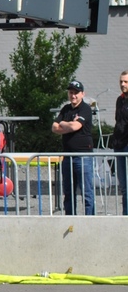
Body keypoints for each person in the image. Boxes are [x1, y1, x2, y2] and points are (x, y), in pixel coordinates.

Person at [52, 79, 94, 215]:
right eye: (71, 92)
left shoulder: (86, 109)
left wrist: (64, 124)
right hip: (68, 156)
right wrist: (69, 125)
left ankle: (90, 221)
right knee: (68, 192)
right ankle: (70, 219)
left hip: (83, 156)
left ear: (82, 94)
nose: (73, 95)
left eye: (76, 93)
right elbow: (54, 128)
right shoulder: (66, 109)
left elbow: (77, 126)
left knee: (87, 192)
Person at [111, 70, 128, 216]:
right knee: (123, 186)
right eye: (121, 81)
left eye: (126, 82)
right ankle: (125, 218)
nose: (123, 84)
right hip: (119, 145)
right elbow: (118, 122)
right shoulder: (120, 99)